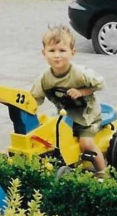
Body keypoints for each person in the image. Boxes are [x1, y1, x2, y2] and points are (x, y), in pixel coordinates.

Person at [31, 25, 108, 177]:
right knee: (50, 141)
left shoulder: (80, 73)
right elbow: (34, 99)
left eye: (62, 50)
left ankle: (102, 171)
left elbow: (101, 84)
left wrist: (82, 92)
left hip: (88, 117)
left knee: (85, 143)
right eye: (52, 51)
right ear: (44, 53)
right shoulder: (44, 78)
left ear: (72, 52)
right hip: (66, 119)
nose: (57, 55)